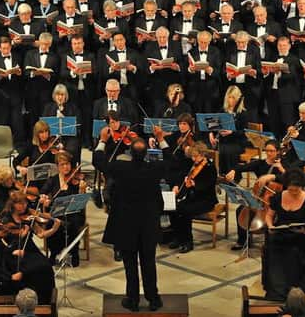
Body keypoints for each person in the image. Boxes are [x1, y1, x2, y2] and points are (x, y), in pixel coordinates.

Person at [93, 125, 168, 312]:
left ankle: (132, 299)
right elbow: (171, 161)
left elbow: (99, 162)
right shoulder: (154, 168)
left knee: (130, 264)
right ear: (146, 154)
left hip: (126, 223)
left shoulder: (120, 167)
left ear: (130, 153)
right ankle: (153, 299)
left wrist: (102, 140)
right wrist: (161, 139)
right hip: (148, 224)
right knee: (149, 262)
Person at [263, 169, 305, 300]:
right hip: (282, 233)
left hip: (302, 236)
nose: (293, 192)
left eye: (296, 190)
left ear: (302, 187)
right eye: (291, 190)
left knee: (293, 252)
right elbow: (269, 215)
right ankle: (277, 289)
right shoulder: (278, 197)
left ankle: (294, 289)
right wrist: (271, 226)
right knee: (273, 248)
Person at [170, 141, 218, 254]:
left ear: (202, 154)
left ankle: (188, 242)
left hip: (206, 200)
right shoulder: (192, 165)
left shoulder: (210, 167)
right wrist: (177, 186)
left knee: (185, 211)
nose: (193, 159)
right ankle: (178, 238)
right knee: (173, 208)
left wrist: (194, 184)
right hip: (193, 198)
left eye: (195, 156)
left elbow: (208, 184)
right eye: (192, 156)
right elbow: (181, 176)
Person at [40, 150, 86, 267]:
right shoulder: (53, 180)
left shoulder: (76, 181)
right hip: (57, 213)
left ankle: (73, 252)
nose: (66, 167)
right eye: (62, 165)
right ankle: (54, 252)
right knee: (53, 223)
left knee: (73, 223)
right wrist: (43, 199)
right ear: (57, 166)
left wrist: (81, 191)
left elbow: (81, 202)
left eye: (68, 164)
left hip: (74, 213)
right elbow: (42, 193)